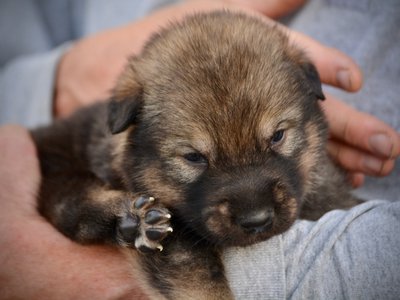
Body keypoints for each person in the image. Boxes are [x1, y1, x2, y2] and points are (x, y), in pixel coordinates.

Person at [0, 0, 399, 299]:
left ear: (313, 97)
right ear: (133, 139)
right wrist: (55, 79)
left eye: (277, 138)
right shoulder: (120, 130)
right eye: (194, 158)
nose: (256, 211)